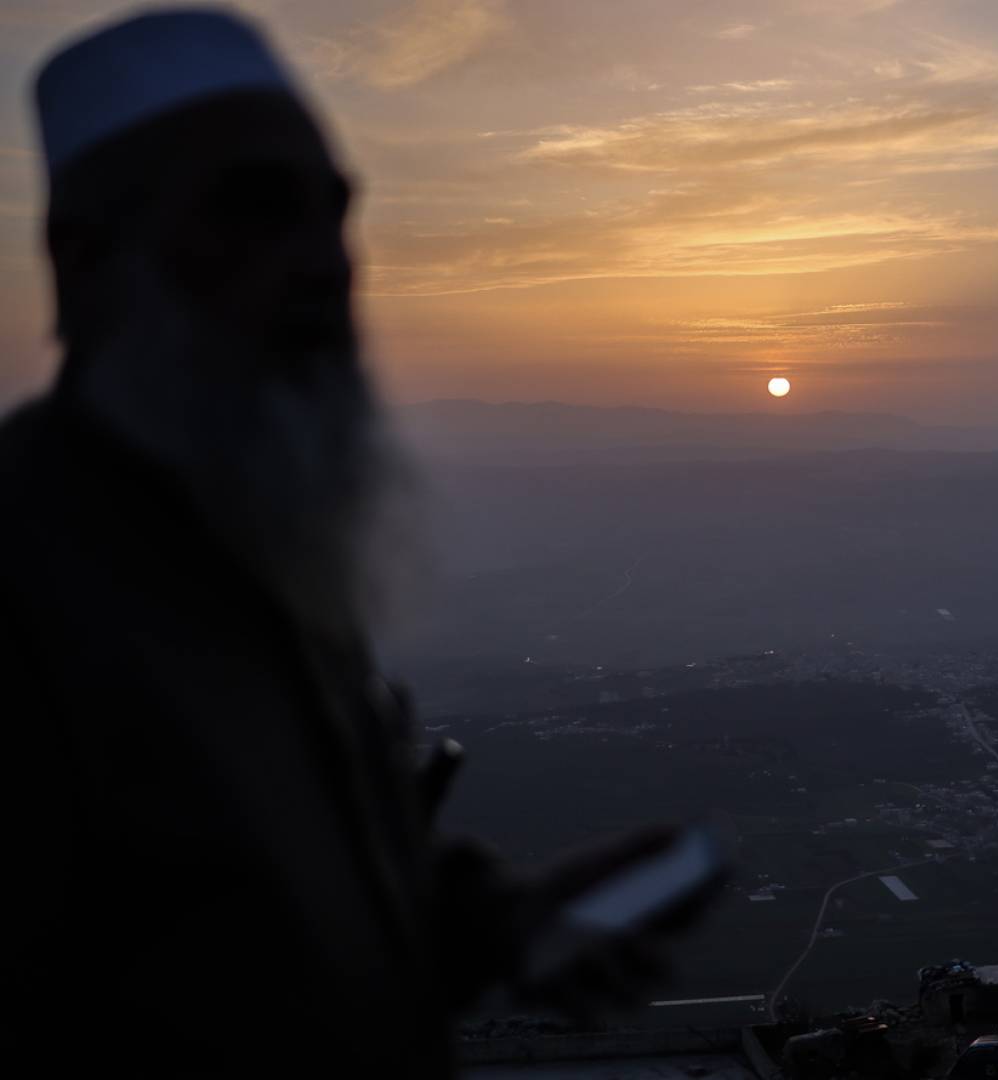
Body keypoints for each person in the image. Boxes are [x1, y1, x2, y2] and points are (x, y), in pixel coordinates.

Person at [0, 10, 702, 1074]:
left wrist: (497, 923)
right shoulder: (24, 574)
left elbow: (259, 915)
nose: (326, 264)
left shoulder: (259, 535)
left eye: (331, 213)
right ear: (83, 256)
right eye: (255, 209)